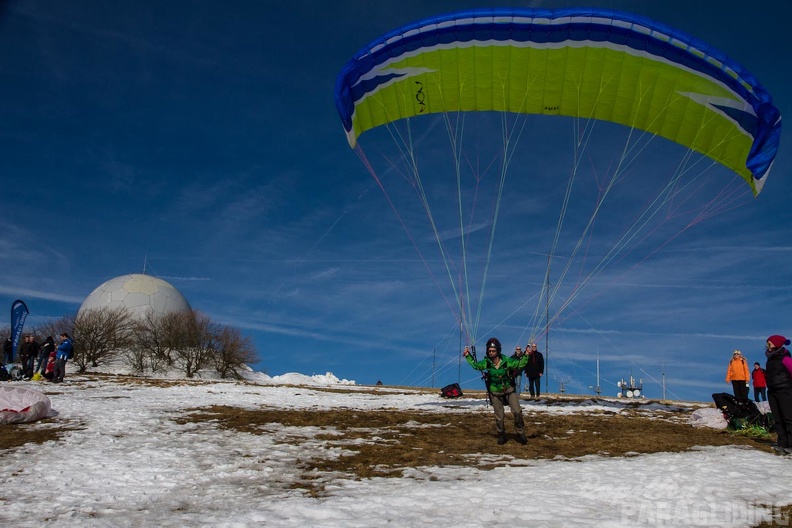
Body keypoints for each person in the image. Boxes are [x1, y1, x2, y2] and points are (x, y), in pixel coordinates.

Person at [463, 337, 529, 445]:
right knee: (499, 416)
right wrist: (467, 356)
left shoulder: (507, 360)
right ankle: (501, 434)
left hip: (508, 390)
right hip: (495, 392)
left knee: (517, 411)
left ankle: (520, 432)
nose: (491, 353)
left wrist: (526, 355)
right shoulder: (487, 362)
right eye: (489, 351)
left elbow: (519, 364)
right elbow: (476, 366)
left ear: (498, 351)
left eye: (493, 351)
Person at [764, 335, 792, 455]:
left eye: (769, 343)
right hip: (772, 391)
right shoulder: (770, 359)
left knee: (788, 418)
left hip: (785, 390)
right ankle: (782, 444)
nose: (767, 346)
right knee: (778, 419)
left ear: (777, 344)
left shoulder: (785, 358)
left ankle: (791, 445)